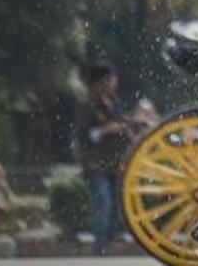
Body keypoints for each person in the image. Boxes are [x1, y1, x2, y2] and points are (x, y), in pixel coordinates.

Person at [78, 64, 129, 257]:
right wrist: (106, 130)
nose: (113, 84)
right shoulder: (87, 107)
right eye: (109, 80)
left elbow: (124, 125)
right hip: (96, 165)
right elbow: (84, 136)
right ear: (99, 83)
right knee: (103, 204)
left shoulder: (115, 103)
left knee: (117, 206)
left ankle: (110, 243)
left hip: (116, 164)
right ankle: (99, 249)